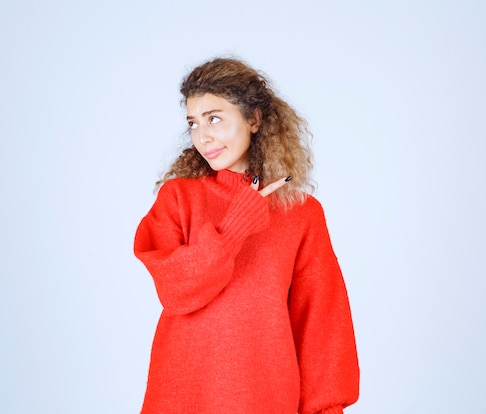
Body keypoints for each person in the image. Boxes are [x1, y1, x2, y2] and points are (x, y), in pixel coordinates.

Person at [133, 57, 359, 414]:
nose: (202, 135)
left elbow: (321, 325)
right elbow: (176, 290)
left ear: (254, 119)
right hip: (182, 396)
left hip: (264, 396)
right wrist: (236, 225)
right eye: (193, 123)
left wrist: (325, 408)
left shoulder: (301, 212)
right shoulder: (179, 197)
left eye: (215, 118)